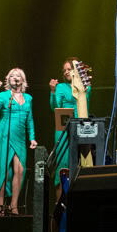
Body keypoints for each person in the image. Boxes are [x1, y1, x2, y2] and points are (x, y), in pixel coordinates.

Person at [0, 68, 37, 215]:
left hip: (20, 137)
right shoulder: (4, 95)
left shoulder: (28, 98)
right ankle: (0, 206)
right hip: (4, 134)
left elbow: (30, 119)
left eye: (18, 76)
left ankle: (14, 205)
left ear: (22, 80)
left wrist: (32, 137)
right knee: (3, 170)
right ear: (8, 80)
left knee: (20, 170)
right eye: (12, 76)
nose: (15, 78)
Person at [49, 57, 91, 199]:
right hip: (64, 129)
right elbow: (55, 107)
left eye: (69, 69)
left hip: (81, 127)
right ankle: (60, 205)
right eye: (64, 70)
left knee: (82, 164)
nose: (66, 72)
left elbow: (85, 104)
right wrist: (53, 92)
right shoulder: (61, 87)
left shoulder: (86, 86)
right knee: (63, 165)